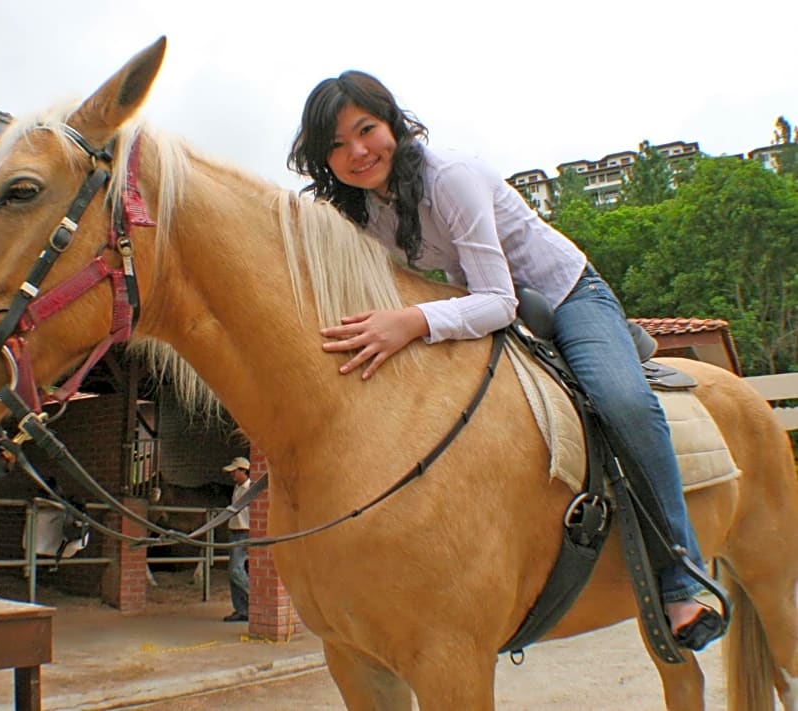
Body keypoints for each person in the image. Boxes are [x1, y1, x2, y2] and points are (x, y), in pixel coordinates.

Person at [287, 71, 724, 651]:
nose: (357, 152)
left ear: (392, 123)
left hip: (564, 296)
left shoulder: (451, 178)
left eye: (365, 130)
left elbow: (497, 300)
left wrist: (412, 322)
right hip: (480, 307)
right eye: (336, 146)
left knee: (622, 401)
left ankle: (682, 575)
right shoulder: (363, 211)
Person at [222, 456, 251, 622]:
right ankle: (241, 609)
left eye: (235, 471)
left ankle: (254, 597)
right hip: (234, 530)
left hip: (244, 532)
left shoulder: (251, 489)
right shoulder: (237, 488)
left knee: (236, 570)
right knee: (233, 573)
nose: (232, 475)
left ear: (243, 471)